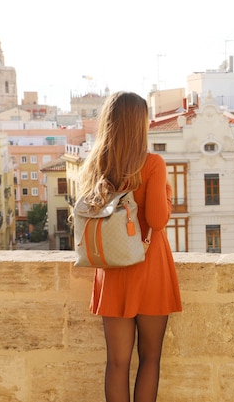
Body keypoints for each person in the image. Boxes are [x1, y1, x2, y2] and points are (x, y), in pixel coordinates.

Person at [77, 91, 182, 402]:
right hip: (149, 268)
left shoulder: (97, 165)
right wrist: (165, 193)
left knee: (117, 363)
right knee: (150, 358)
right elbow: (158, 220)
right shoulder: (152, 163)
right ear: (140, 124)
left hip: (112, 271)